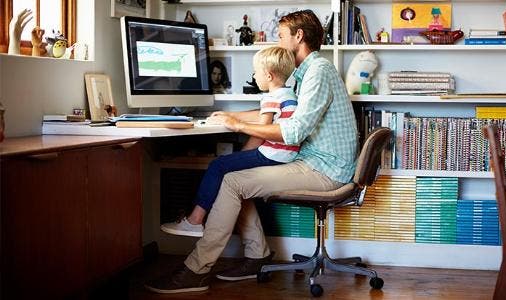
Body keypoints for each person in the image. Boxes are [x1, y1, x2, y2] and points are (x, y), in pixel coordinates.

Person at [145, 9, 358, 293]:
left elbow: (291, 131)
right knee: (236, 171)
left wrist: (236, 124)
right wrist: (230, 116)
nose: (278, 42)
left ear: (299, 36)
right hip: (315, 161)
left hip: (325, 169)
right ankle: (257, 256)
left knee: (232, 181)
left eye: (282, 36)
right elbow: (272, 112)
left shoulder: (317, 71)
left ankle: (195, 271)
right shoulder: (303, 72)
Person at [160, 46, 298, 238]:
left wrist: (239, 147)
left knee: (218, 165)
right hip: (288, 154)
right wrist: (232, 118)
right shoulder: (290, 95)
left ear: (268, 75)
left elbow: (261, 130)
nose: (254, 76)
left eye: (256, 72)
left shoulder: (270, 98)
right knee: (229, 164)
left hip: (273, 153)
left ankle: (195, 220)